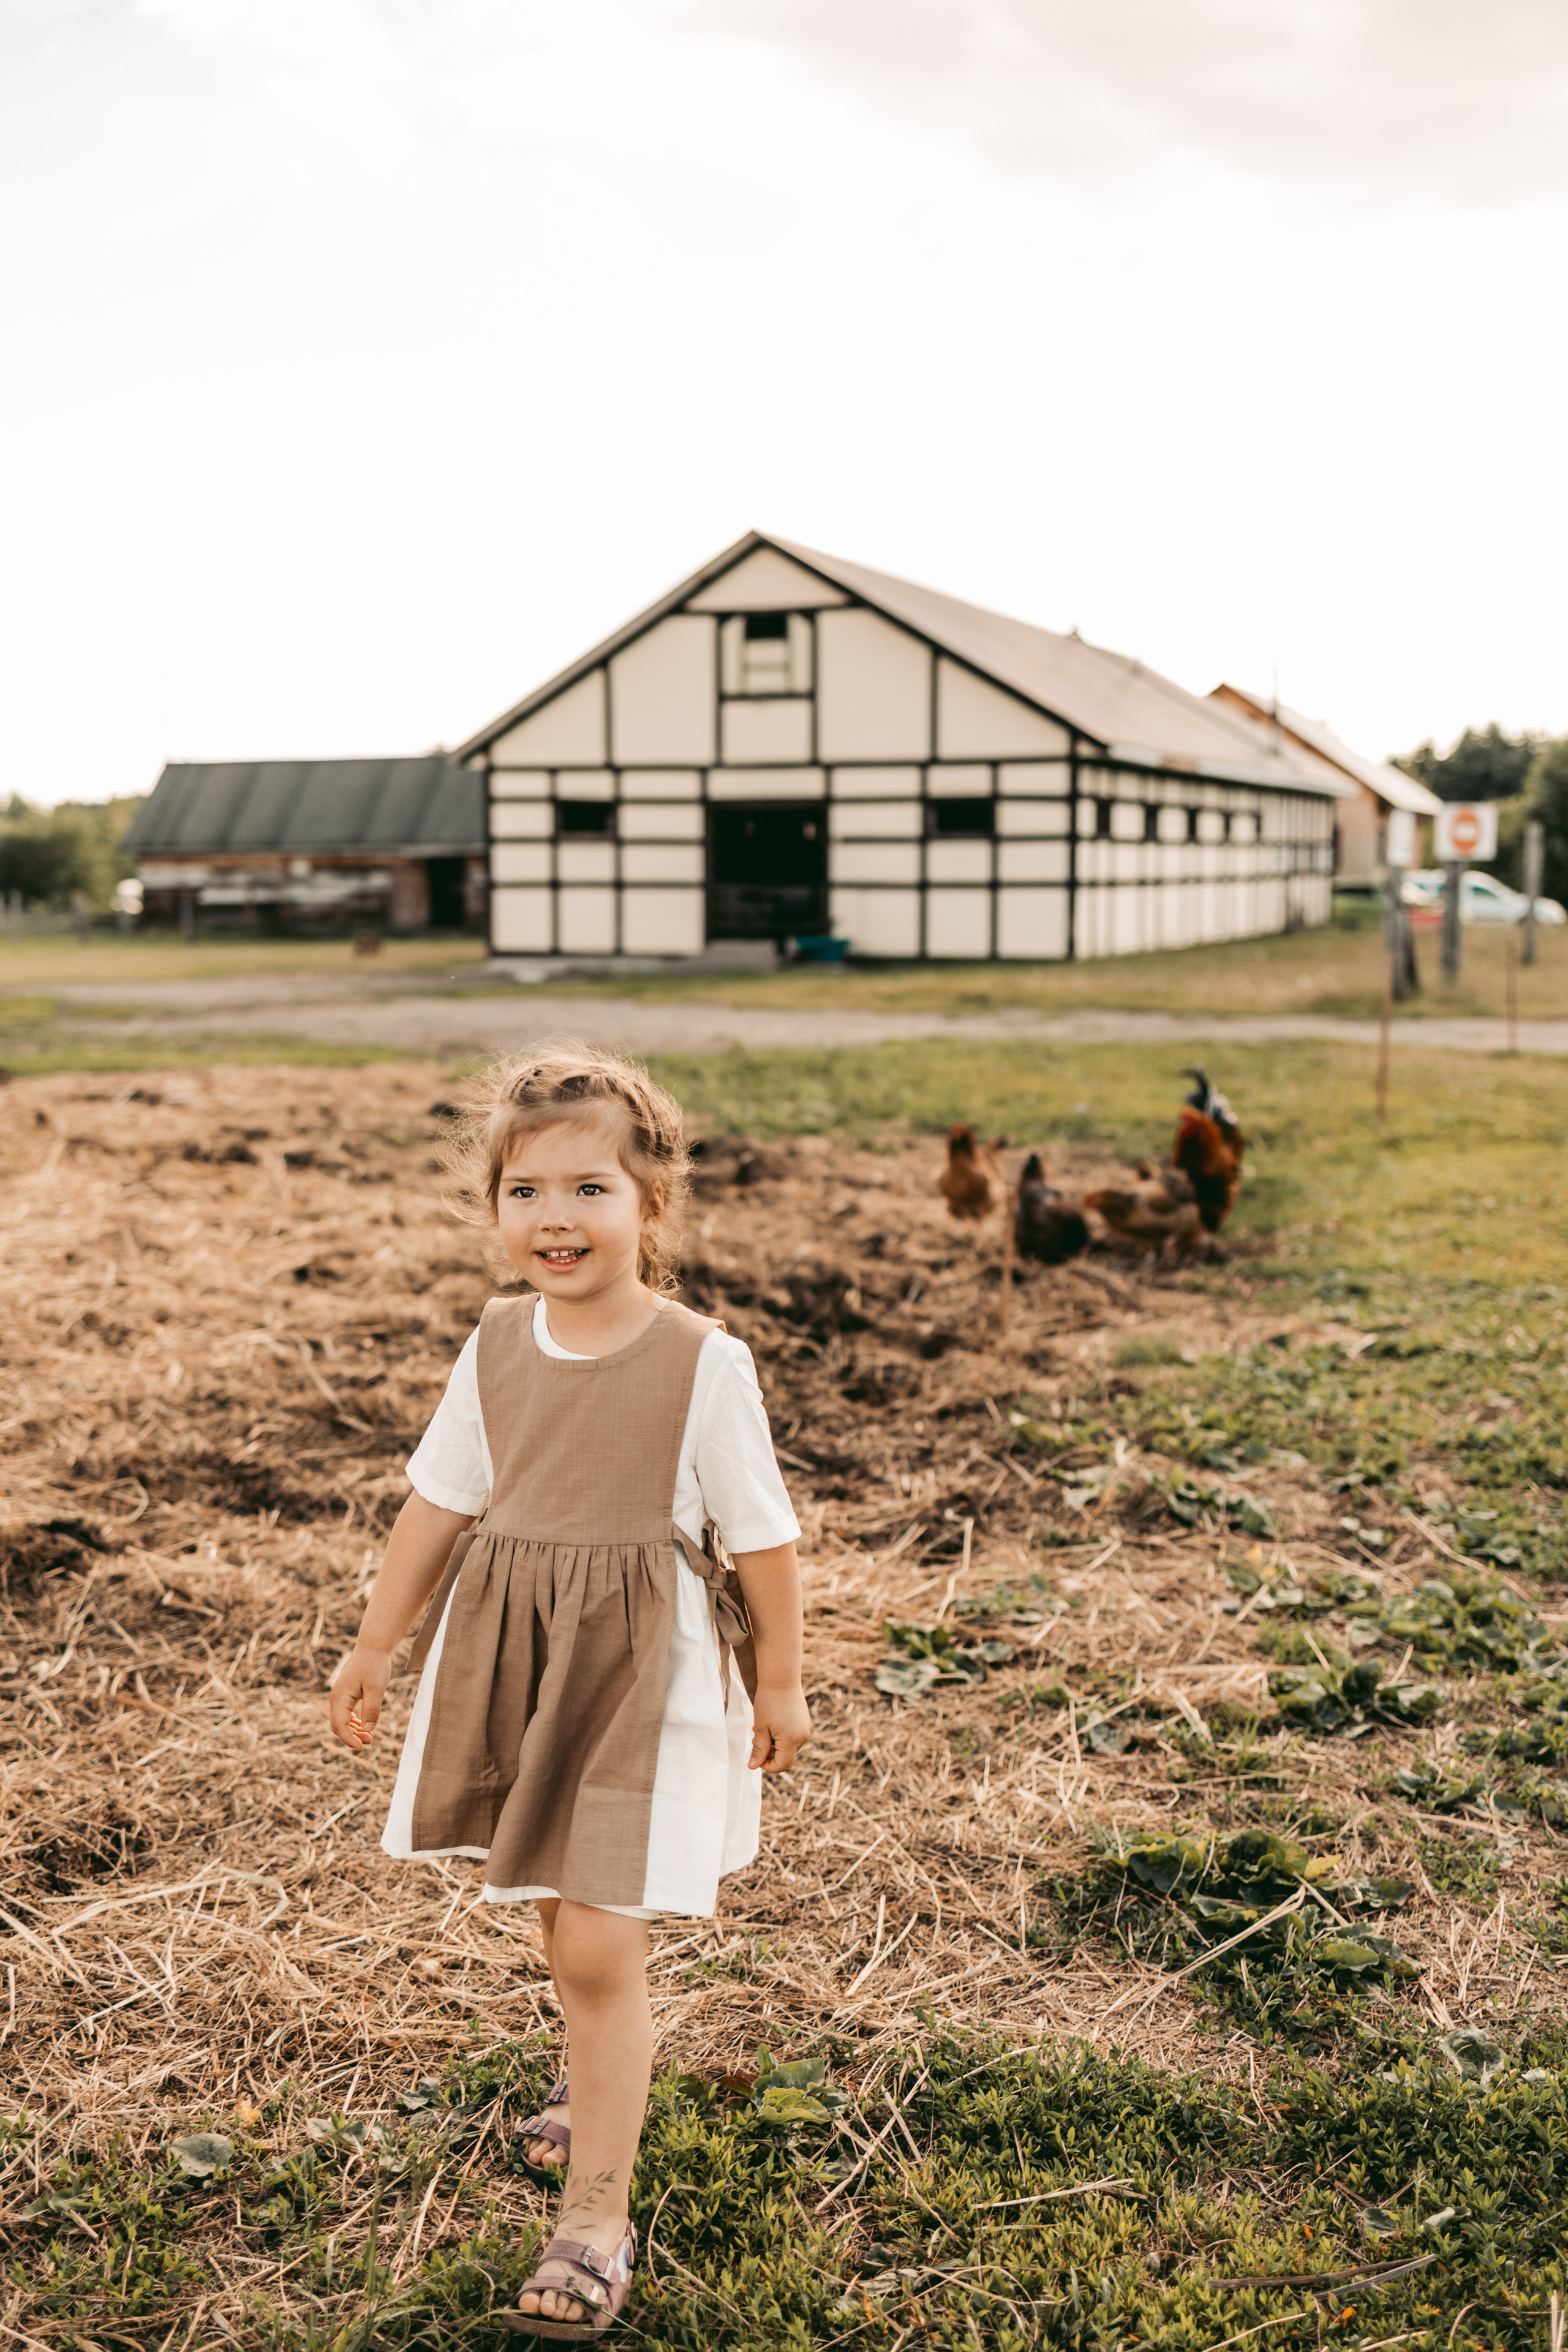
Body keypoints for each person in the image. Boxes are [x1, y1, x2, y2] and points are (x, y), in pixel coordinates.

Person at [328, 1046, 809, 2338]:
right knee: (559, 1917)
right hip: (519, 1662)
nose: (555, 1217)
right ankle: (593, 2085)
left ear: (653, 1208)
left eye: (590, 1188)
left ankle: (597, 2211)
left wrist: (783, 1676)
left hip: (640, 1682)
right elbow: (439, 1499)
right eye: (524, 1190)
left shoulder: (701, 1361)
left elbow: (761, 1535)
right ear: (493, 1208)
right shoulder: (492, 1343)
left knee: (595, 1937)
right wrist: (376, 1643)